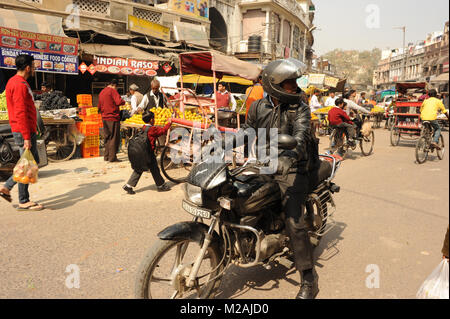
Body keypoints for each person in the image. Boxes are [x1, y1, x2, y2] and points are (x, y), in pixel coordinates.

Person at [244, 58, 322, 299]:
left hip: (294, 167)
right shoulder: (258, 107)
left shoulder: (300, 108)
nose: (295, 87)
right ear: (275, 83)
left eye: (295, 82)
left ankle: (309, 278)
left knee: (294, 221)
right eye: (290, 83)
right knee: (237, 195)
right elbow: (247, 132)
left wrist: (290, 156)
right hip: (264, 165)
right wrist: (223, 149)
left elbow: (299, 138)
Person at [0, 54, 44, 211]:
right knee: (27, 165)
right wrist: (26, 137)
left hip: (25, 129)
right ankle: (22, 199)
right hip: (23, 130)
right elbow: (20, 112)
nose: (34, 69)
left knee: (32, 162)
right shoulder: (18, 84)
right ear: (27, 67)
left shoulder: (16, 82)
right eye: (33, 66)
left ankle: (8, 187)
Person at [123, 111, 171, 194]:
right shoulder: (153, 129)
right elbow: (163, 131)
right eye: (154, 118)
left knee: (139, 169)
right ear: (152, 120)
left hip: (142, 151)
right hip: (149, 152)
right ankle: (160, 185)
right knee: (154, 169)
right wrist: (169, 123)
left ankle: (128, 185)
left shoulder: (144, 127)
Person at [98, 79, 125, 163]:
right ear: (114, 85)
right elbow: (119, 101)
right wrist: (123, 101)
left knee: (107, 137)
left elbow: (99, 106)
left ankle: (106, 156)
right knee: (113, 137)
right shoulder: (112, 91)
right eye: (117, 87)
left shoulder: (102, 92)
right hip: (113, 117)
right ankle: (112, 157)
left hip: (104, 117)